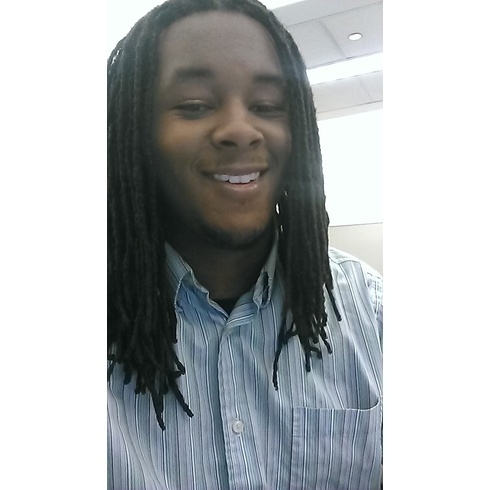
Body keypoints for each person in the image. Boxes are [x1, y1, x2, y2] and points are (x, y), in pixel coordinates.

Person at [107, 0, 383, 488]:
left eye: (268, 106)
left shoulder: (374, 314)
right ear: (136, 134)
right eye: (194, 105)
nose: (240, 129)